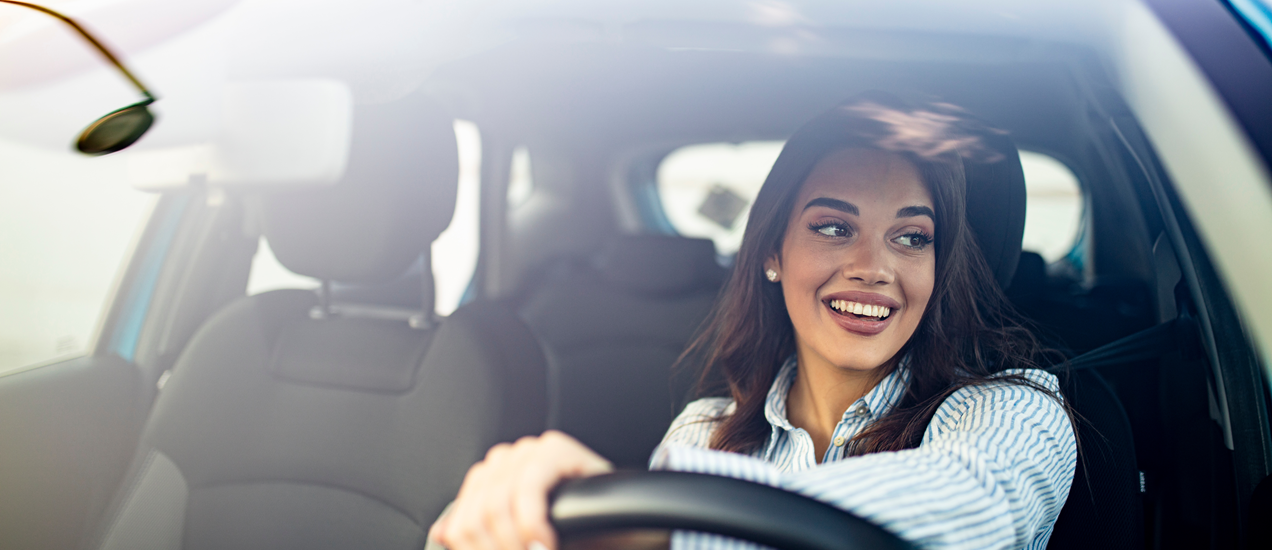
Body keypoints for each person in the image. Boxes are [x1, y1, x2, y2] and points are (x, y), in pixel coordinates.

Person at [428, 94, 1077, 550]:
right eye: (832, 227)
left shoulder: (1016, 409)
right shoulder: (704, 434)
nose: (873, 267)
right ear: (772, 252)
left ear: (939, 272)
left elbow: (975, 508)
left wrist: (645, 515)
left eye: (911, 238)